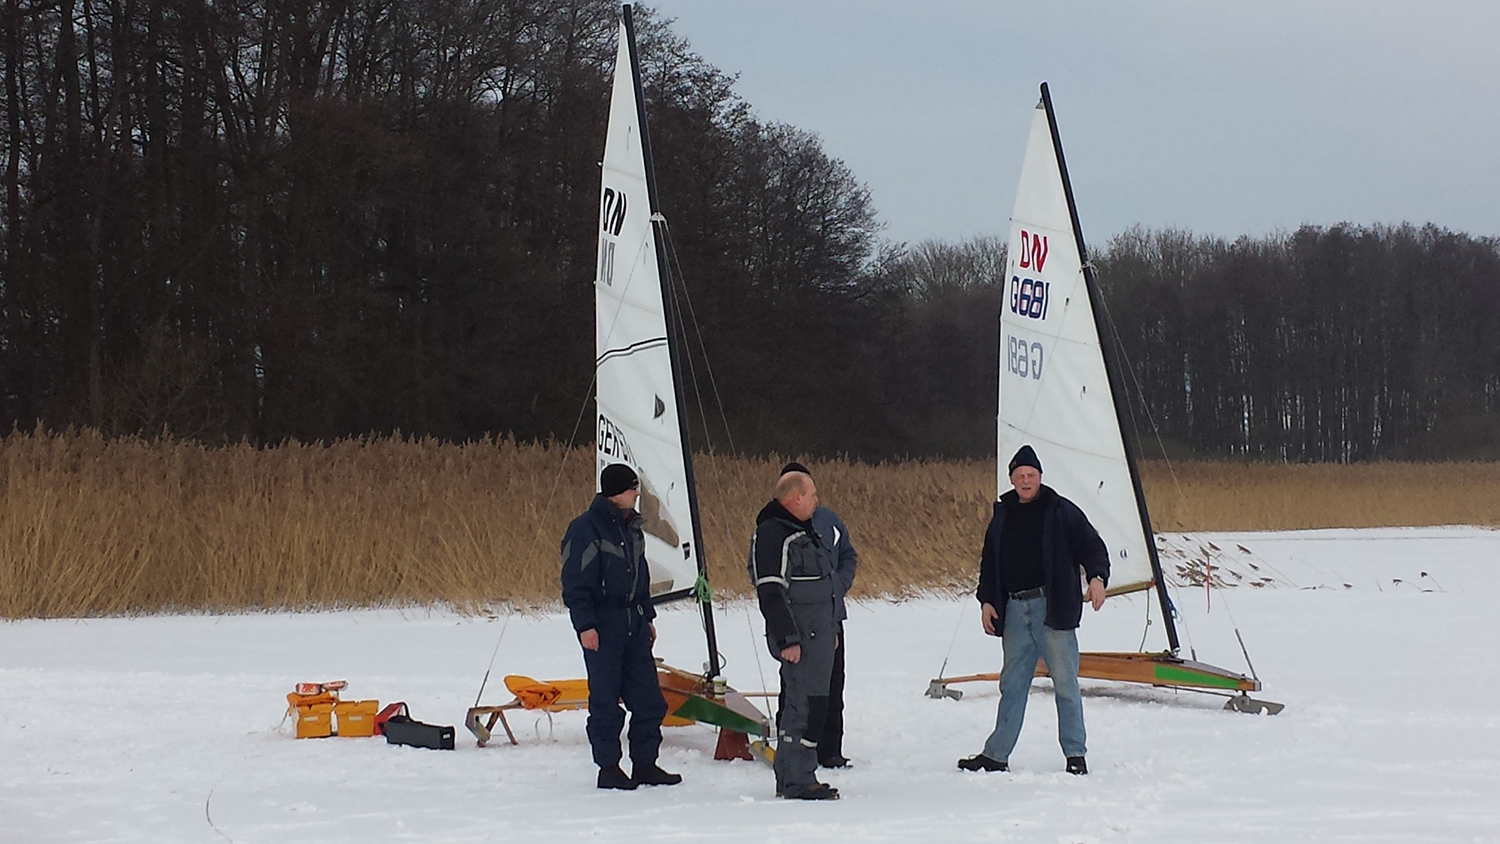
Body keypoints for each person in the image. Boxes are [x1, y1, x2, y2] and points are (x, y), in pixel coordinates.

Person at [958, 445, 1110, 776]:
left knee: (1065, 683)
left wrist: (1097, 578)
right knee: (1012, 685)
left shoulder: (1061, 510)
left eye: (1031, 475)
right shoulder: (1002, 516)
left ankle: (1075, 754)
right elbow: (989, 564)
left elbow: (1092, 546)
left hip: (1051, 609)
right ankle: (996, 755)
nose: (1026, 481)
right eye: (1020, 476)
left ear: (1040, 477)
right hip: (1014, 610)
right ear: (1012, 479)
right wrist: (987, 601)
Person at [560, 463, 682, 790]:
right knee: (605, 702)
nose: (637, 494)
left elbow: (641, 577)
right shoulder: (584, 529)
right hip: (604, 626)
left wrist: (648, 618)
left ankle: (645, 764)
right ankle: (609, 768)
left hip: (635, 624)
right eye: (632, 489)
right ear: (616, 492)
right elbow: (575, 584)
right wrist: (585, 626)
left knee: (649, 700)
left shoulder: (632, 527)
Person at [750, 471, 840, 800]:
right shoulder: (774, 534)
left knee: (816, 705)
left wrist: (831, 629)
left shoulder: (803, 531)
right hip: (799, 638)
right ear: (797, 497)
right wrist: (787, 638)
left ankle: (799, 774)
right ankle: (796, 779)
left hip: (819, 634)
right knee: (802, 707)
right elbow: (770, 590)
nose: (817, 500)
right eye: (813, 494)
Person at [775, 461, 857, 769]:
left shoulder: (828, 520)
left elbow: (848, 554)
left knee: (833, 684)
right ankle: (791, 749)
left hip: (831, 617)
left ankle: (830, 749)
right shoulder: (777, 528)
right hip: (798, 621)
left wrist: (839, 584)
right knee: (795, 687)